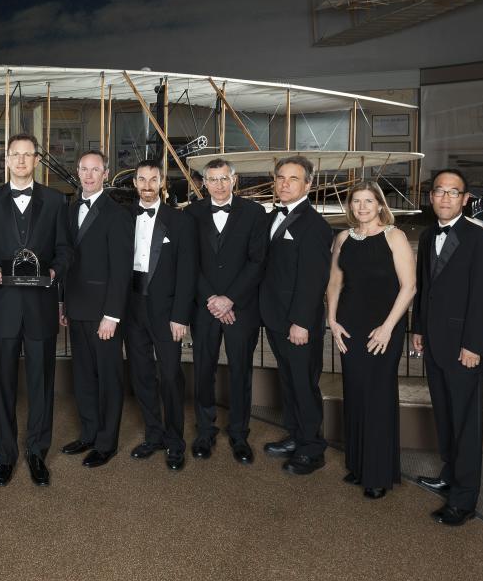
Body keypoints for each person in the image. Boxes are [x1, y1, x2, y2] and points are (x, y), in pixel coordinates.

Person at [0, 134, 71, 487]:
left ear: (36, 160)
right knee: (0, 383)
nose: (20, 160)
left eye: (27, 155)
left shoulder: (57, 200)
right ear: (7, 159)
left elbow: (64, 249)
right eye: (15, 154)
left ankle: (36, 453)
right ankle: (4, 457)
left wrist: (55, 272)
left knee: (41, 383)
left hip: (41, 307)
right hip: (4, 307)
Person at [411, 169, 483, 525]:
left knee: (466, 421)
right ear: (430, 197)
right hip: (433, 341)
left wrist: (474, 345)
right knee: (445, 414)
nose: (445, 198)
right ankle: (449, 475)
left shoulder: (480, 241)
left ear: (465, 199)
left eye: (453, 193)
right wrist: (418, 329)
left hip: (465, 347)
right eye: (439, 192)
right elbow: (424, 287)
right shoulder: (429, 234)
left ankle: (463, 500)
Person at [326, 181, 416, 499]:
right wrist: (333, 321)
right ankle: (359, 465)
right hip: (350, 324)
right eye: (356, 202)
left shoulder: (395, 236)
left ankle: (378, 474)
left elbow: (409, 287)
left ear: (380, 205)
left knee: (378, 395)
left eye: (368, 201)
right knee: (355, 392)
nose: (362, 207)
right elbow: (335, 283)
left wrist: (389, 327)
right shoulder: (342, 238)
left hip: (383, 327)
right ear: (350, 207)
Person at [185, 158, 268, 463]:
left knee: (240, 372)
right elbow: (188, 262)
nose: (218, 185)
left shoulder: (255, 213)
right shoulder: (191, 213)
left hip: (241, 307)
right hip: (204, 307)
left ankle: (239, 434)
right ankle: (205, 431)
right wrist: (212, 299)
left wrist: (230, 299)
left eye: (224, 179)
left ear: (235, 180)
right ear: (203, 183)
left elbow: (258, 261)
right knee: (203, 370)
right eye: (212, 179)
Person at [259, 155, 333, 475]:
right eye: (280, 178)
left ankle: (312, 448)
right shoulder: (271, 217)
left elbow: (313, 279)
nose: (285, 184)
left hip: (298, 322)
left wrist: (301, 322)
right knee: (288, 382)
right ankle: (296, 435)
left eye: (293, 179)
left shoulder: (315, 225)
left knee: (304, 384)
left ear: (308, 184)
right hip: (276, 317)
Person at [60, 150, 134, 468]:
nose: (88, 175)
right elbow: (66, 261)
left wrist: (112, 315)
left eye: (95, 170)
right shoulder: (70, 209)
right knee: (84, 376)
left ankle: (106, 443)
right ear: (78, 172)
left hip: (104, 314)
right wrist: (63, 301)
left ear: (106, 174)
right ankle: (88, 433)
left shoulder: (117, 214)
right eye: (83, 169)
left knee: (108, 378)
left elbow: (122, 270)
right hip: (76, 308)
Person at [123, 160, 195, 470]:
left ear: (162, 182)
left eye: (154, 179)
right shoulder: (123, 217)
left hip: (166, 311)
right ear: (134, 183)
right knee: (140, 373)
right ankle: (153, 435)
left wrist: (180, 315)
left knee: (169, 375)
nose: (148, 185)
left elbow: (187, 273)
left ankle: (175, 441)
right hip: (131, 305)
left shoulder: (179, 221)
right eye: (142, 179)